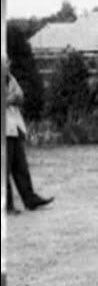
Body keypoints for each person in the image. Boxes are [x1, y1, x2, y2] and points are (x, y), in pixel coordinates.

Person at [5, 63, 54, 215]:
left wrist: (11, 98)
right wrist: (10, 98)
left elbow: (20, 96)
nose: (8, 65)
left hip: (14, 126)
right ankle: (7, 205)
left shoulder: (10, 79)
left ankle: (30, 199)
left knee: (21, 167)